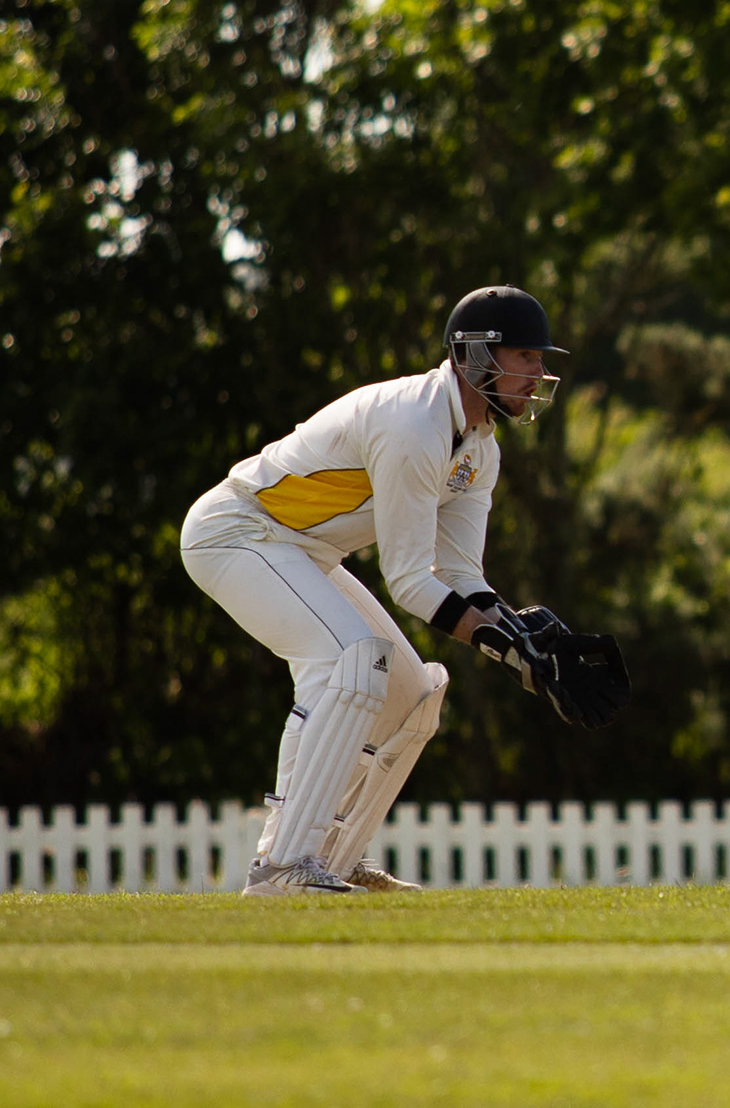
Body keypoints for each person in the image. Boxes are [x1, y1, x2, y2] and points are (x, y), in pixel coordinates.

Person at [180, 286, 627, 896]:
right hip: (236, 532)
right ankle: (283, 866)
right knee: (351, 660)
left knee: (412, 694)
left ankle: (332, 860)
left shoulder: (478, 448)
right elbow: (411, 581)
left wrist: (524, 643)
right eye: (523, 356)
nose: (537, 374)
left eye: (537, 358)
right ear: (474, 356)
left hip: (302, 551)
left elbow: (461, 577)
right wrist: (507, 650)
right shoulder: (414, 422)